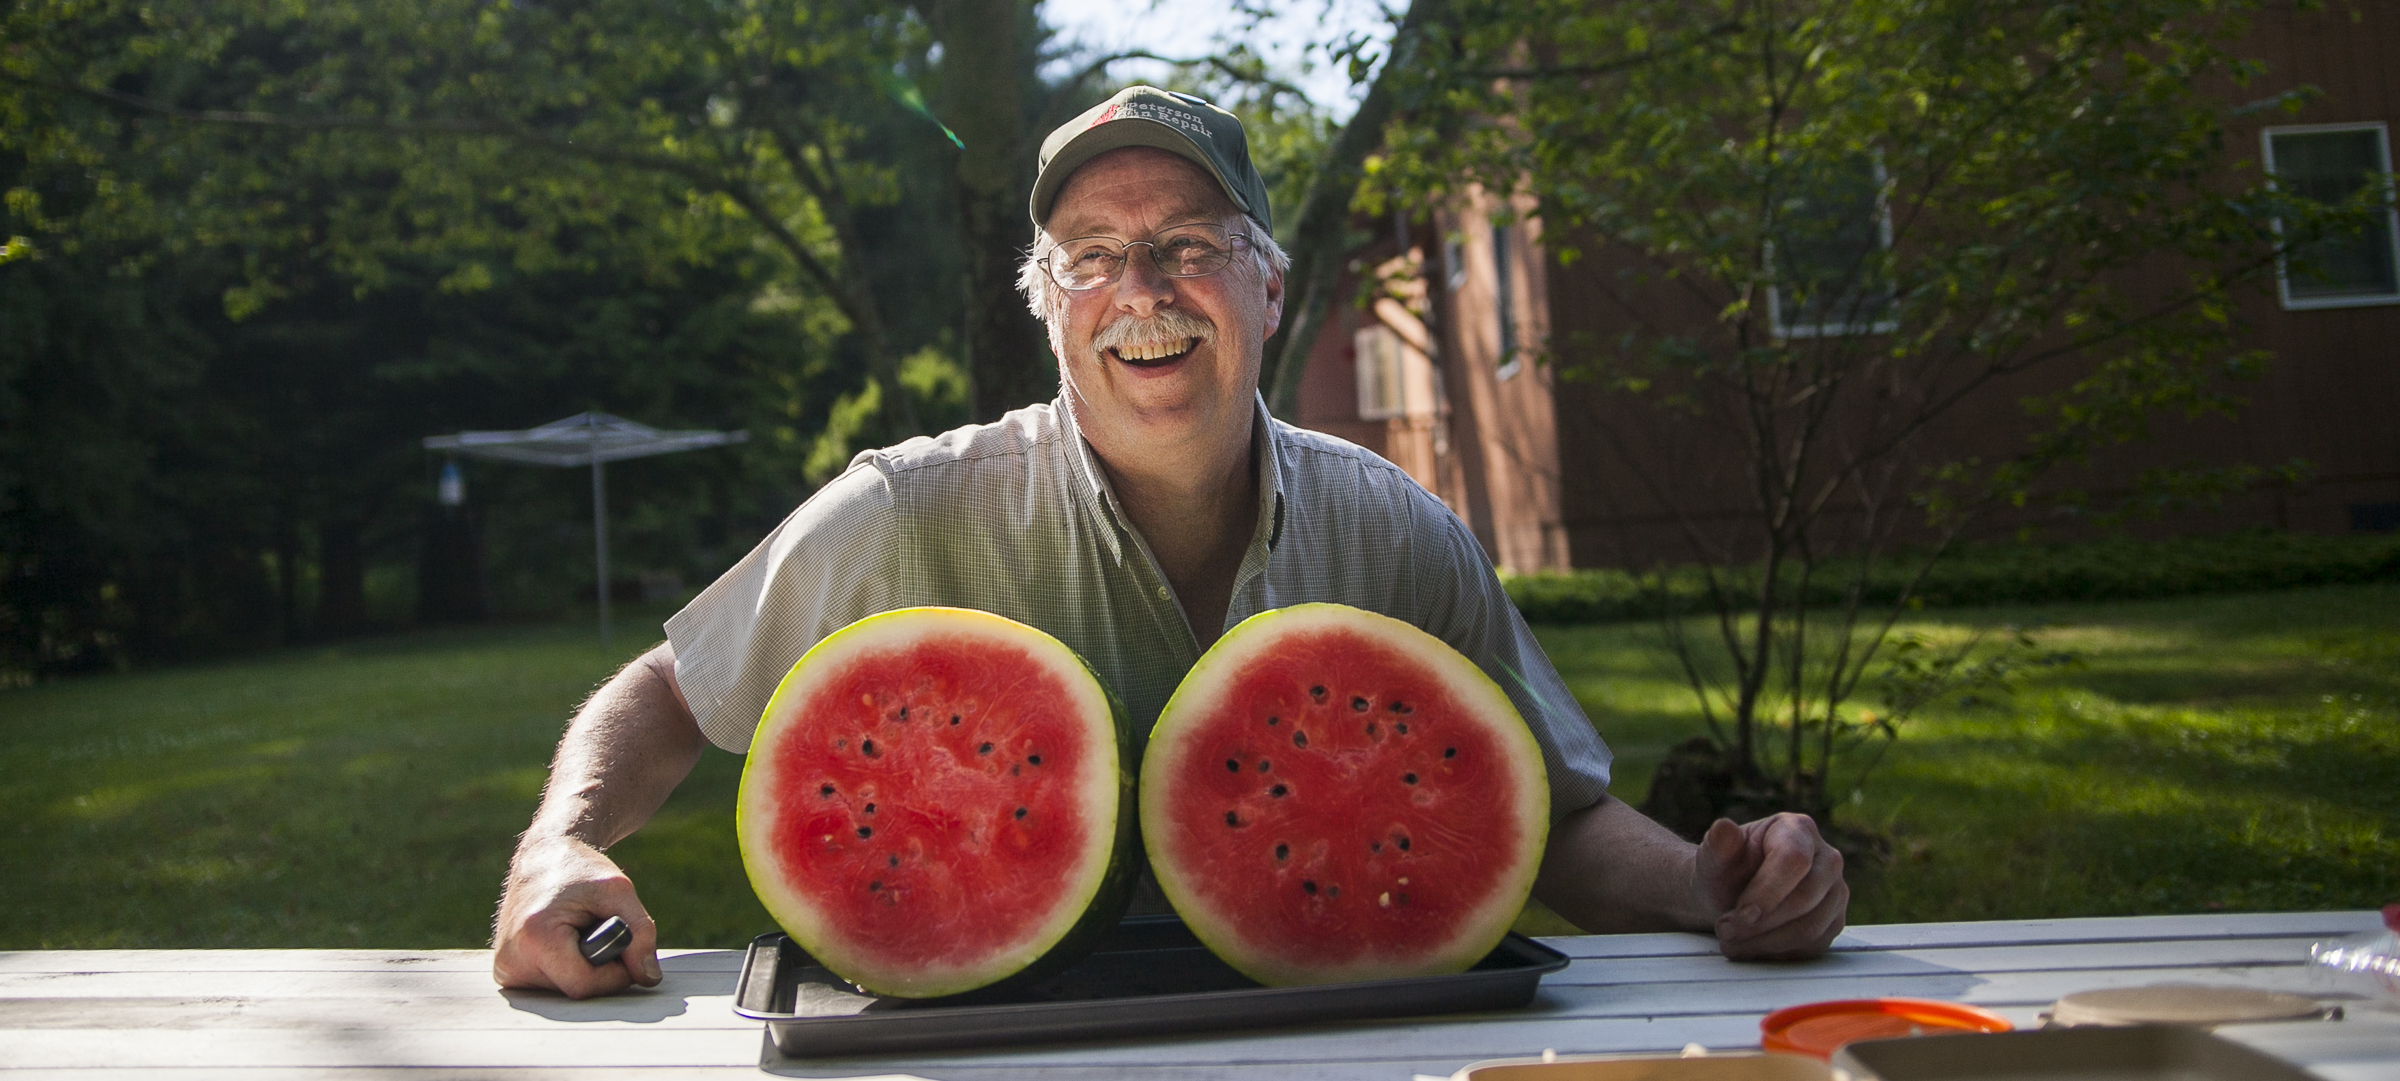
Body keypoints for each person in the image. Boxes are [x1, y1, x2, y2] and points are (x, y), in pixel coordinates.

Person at [492, 87, 1849, 998]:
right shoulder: (909, 508)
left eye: (1185, 244)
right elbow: (672, 687)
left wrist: (1715, 881)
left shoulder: (1395, 529)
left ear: (1269, 284)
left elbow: (1537, 812)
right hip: (979, 1055)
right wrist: (555, 845)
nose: (1139, 289)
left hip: (1346, 1046)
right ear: (1051, 307)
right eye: (1091, 255)